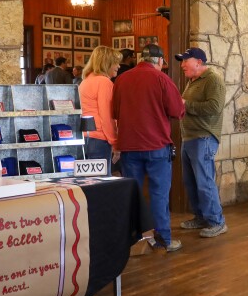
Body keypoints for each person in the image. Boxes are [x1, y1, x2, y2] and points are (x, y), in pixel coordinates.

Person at [113, 44, 185, 252]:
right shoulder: (162, 79)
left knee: (133, 194)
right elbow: (177, 110)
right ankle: (164, 239)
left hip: (129, 145)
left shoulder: (122, 79)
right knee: (159, 194)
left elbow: (115, 112)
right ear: (160, 61)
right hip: (156, 146)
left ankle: (136, 240)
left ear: (139, 58)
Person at [176, 47, 228, 238]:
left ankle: (217, 221)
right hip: (189, 137)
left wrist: (184, 105)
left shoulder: (213, 79)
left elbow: (215, 107)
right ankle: (201, 217)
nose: (182, 65)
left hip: (203, 137)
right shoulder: (192, 81)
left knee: (204, 182)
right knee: (191, 182)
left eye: (185, 61)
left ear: (198, 61)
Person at [78, 46, 121, 173]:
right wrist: (115, 143)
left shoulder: (85, 81)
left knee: (89, 184)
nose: (118, 66)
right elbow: (107, 116)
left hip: (84, 138)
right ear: (107, 63)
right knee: (100, 185)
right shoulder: (104, 82)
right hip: (99, 140)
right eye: (115, 63)